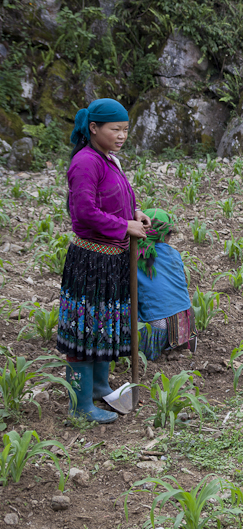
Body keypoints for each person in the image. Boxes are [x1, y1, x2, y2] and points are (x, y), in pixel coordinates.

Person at [58, 98, 150, 423]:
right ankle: (80, 406)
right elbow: (84, 212)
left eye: (125, 129)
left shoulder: (108, 159)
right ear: (94, 128)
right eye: (116, 129)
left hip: (111, 259)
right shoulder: (86, 162)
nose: (122, 135)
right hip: (91, 260)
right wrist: (125, 225)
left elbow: (120, 196)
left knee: (102, 327)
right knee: (85, 330)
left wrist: (134, 213)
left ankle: (98, 389)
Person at [136, 208, 198, 362]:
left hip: (158, 328)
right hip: (185, 321)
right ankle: (184, 342)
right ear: (166, 235)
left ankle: (152, 349)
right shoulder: (175, 255)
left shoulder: (135, 256)